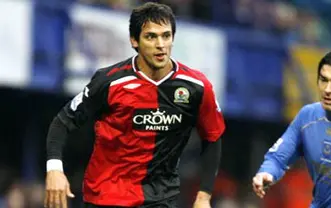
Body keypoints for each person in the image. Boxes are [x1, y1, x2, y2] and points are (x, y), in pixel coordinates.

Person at [44, 2, 225, 208]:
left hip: (160, 199)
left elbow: (213, 137)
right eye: (151, 36)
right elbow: (62, 123)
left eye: (166, 36)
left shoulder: (197, 87)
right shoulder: (108, 81)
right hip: (106, 197)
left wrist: (204, 196)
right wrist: (55, 170)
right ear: (134, 40)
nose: (161, 44)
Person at [252, 49, 331, 208]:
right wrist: (266, 172)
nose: (328, 90)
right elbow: (278, 157)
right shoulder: (307, 117)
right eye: (323, 80)